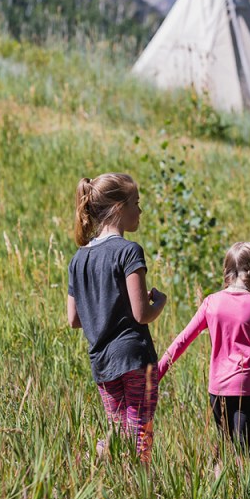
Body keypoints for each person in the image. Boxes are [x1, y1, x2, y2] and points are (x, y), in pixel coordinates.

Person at [157, 242, 250, 459]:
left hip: (217, 391)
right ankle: (239, 491)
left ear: (227, 271)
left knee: (225, 448)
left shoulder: (211, 303)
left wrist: (156, 374)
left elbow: (181, 341)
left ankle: (220, 487)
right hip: (247, 391)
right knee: (243, 454)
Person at [67, 173, 167, 464]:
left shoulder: (79, 258)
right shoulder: (128, 251)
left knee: (118, 428)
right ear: (119, 208)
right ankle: (140, 489)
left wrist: (103, 306)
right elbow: (141, 314)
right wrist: (159, 302)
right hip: (135, 357)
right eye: (136, 203)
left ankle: (100, 462)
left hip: (102, 361)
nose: (140, 210)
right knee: (139, 433)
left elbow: (74, 318)